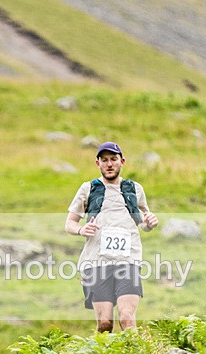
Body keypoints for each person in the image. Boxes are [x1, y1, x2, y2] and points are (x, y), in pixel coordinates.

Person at [65, 142, 159, 332]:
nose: (109, 164)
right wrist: (81, 230)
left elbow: (142, 222)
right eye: (104, 160)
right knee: (105, 323)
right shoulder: (88, 188)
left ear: (122, 162)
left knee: (127, 318)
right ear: (97, 163)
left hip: (128, 261)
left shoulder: (134, 189)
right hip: (96, 263)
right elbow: (69, 224)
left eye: (113, 160)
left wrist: (149, 223)